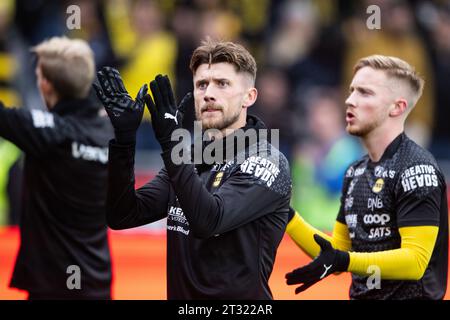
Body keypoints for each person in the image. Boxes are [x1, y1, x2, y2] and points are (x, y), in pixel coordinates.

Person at [94, 39, 291, 299]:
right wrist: (124, 140)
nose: (208, 93)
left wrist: (169, 142)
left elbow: (208, 220)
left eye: (222, 84)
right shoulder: (190, 158)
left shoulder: (268, 160)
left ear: (249, 96)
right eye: (201, 84)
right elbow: (123, 215)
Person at [286, 55, 448, 300]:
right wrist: (283, 213)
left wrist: (344, 260)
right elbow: (336, 251)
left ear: (397, 107)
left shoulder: (417, 167)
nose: (350, 101)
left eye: (365, 93)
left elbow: (415, 261)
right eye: (351, 91)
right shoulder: (355, 172)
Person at [0, 36, 113, 299]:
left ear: (46, 85)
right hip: (98, 282)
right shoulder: (110, 131)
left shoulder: (51, 133)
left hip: (52, 285)